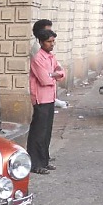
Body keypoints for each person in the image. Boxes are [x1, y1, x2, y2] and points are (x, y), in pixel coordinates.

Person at [27, 28, 64, 174]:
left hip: (50, 98)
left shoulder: (51, 57)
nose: (52, 44)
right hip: (40, 99)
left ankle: (44, 160)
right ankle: (35, 164)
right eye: (49, 42)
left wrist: (53, 74)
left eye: (53, 41)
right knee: (38, 132)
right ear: (41, 42)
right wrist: (54, 75)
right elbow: (44, 80)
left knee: (47, 131)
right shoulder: (38, 59)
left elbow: (62, 72)